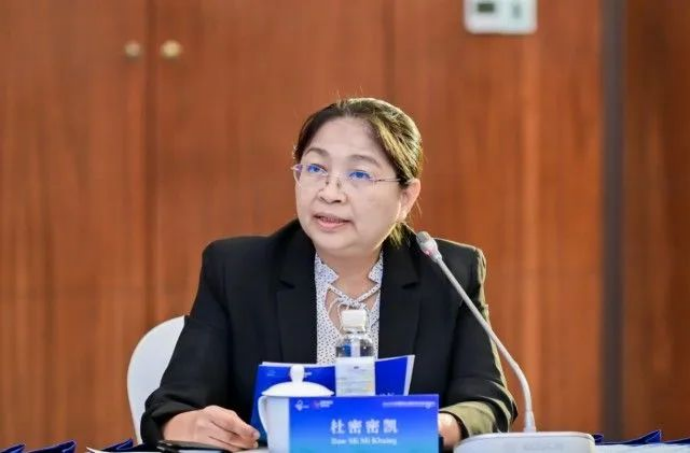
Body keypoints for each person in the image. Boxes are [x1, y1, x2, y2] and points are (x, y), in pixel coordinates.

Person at [141, 98, 517, 451]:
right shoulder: (237, 271)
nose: (330, 192)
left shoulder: (448, 273)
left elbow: (487, 401)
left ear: (406, 196)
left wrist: (432, 427)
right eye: (316, 168)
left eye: (359, 174)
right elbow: (171, 408)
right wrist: (191, 425)